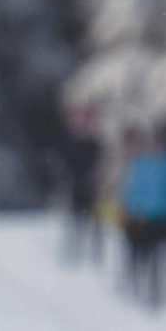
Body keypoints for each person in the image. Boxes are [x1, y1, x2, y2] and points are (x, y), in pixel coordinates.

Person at [119, 128, 166, 307]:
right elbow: (134, 190)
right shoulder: (141, 164)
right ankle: (151, 289)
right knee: (148, 253)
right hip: (146, 218)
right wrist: (130, 212)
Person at [56, 105, 103, 264]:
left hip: (92, 187)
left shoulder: (95, 142)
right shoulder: (70, 142)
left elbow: (100, 164)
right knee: (75, 219)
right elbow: (66, 165)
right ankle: (74, 250)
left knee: (94, 220)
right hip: (75, 186)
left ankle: (94, 252)